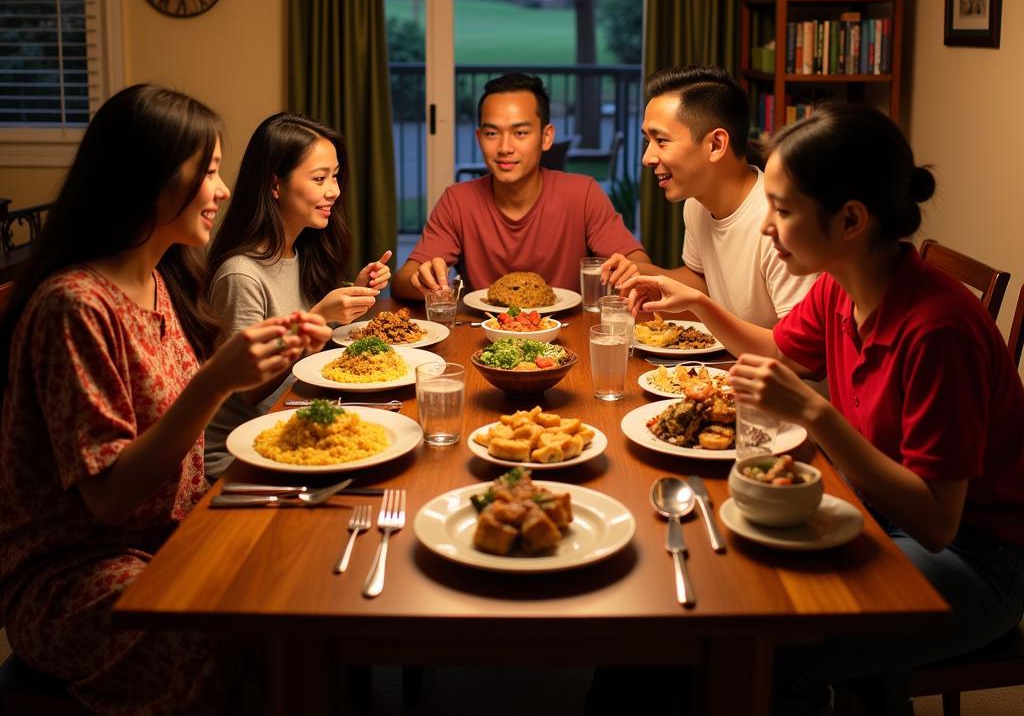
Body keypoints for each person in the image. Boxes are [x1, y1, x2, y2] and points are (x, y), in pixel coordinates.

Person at [624, 104, 1024, 713]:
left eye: (782, 210)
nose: (765, 227)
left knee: (773, 647)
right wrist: (697, 304)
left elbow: (938, 523)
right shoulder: (845, 283)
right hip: (878, 513)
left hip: (976, 559)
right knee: (714, 585)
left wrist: (816, 414)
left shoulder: (939, 330)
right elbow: (774, 348)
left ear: (850, 220)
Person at [0, 85, 332, 715]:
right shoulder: (74, 305)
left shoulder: (157, 278)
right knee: (242, 637)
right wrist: (216, 382)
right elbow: (110, 498)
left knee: (305, 579)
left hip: (173, 534)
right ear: (149, 181)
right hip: (76, 575)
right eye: (208, 171)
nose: (224, 189)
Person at [203, 112, 392, 477]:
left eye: (335, 176)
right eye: (320, 178)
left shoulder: (300, 251)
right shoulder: (240, 275)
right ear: (276, 185)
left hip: (293, 422)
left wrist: (354, 291)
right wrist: (318, 319)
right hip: (240, 456)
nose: (334, 190)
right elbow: (243, 391)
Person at [392, 72, 648, 298]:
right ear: (479, 138)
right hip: (481, 339)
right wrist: (422, 280)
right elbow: (403, 280)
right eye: (492, 134)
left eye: (520, 133)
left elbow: (639, 263)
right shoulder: (458, 200)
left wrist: (630, 269)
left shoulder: (582, 194)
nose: (505, 148)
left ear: (546, 137)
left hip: (568, 340)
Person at [603, 65, 815, 326]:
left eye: (662, 141)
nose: (647, 158)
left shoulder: (778, 224)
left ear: (715, 145)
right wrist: (645, 275)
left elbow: (799, 355)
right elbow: (702, 280)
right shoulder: (696, 203)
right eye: (648, 141)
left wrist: (701, 306)